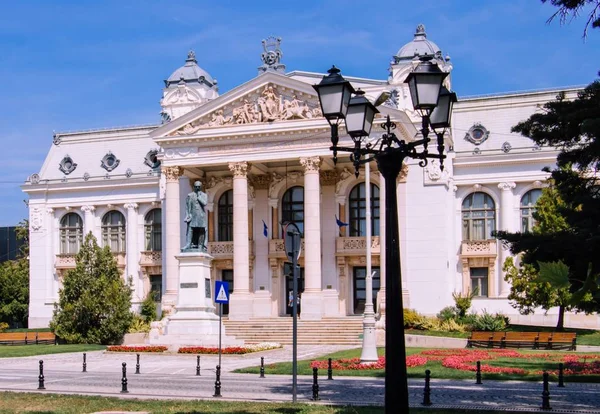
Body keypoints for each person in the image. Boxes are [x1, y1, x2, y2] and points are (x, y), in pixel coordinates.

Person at [182, 181, 208, 251]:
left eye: (198, 187)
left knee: (201, 230)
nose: (197, 188)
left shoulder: (204, 195)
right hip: (192, 215)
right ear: (194, 187)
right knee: (190, 230)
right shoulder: (190, 195)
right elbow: (187, 207)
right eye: (196, 187)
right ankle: (188, 244)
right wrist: (187, 215)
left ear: (201, 187)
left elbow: (204, 203)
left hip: (201, 215)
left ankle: (200, 245)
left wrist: (199, 197)